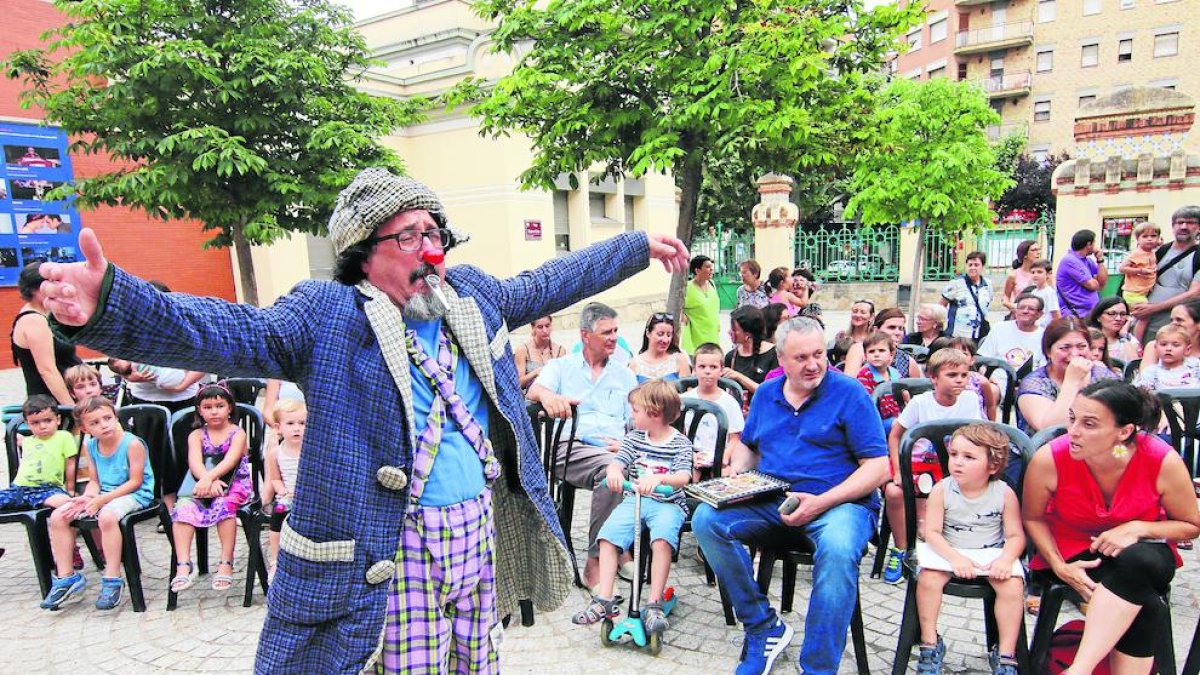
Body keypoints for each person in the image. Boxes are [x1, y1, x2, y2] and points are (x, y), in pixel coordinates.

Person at [35, 167, 690, 672]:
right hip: (390, 546)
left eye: (434, 232)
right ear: (363, 252)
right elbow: (225, 328)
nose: (430, 247)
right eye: (410, 235)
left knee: (477, 658)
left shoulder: (473, 299)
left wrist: (636, 247)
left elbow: (550, 280)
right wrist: (112, 305)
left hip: (474, 533)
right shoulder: (330, 314)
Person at [692, 317, 888, 675]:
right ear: (781, 359)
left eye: (819, 354)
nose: (813, 364)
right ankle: (764, 626)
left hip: (840, 504)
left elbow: (878, 468)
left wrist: (823, 501)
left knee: (840, 549)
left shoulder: (849, 393)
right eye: (801, 357)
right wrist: (734, 475)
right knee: (707, 520)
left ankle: (817, 667)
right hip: (776, 499)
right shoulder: (767, 394)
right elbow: (749, 448)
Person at [1022, 380, 1200, 675]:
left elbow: (1191, 525)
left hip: (1144, 550)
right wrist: (1058, 565)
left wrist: (1138, 528)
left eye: (1089, 424)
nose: (1074, 431)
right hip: (1074, 550)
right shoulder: (1051, 457)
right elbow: (1033, 518)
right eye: (1072, 418)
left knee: (1138, 561)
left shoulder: (1159, 459)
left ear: (1125, 431)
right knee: (1146, 603)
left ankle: (1079, 669)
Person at [528, 302, 640, 588]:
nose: (614, 337)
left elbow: (635, 422)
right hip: (570, 447)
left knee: (618, 471)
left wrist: (625, 445)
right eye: (606, 332)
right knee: (613, 471)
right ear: (585, 335)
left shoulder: (624, 375)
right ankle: (599, 561)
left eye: (615, 330)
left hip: (613, 451)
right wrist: (550, 398)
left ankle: (612, 550)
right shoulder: (561, 367)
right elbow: (534, 389)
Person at [571, 381, 692, 632]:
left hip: (668, 503)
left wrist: (659, 479)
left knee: (661, 541)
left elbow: (683, 477)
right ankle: (605, 598)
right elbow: (618, 462)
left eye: (636, 411)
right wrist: (614, 473)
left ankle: (654, 601)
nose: (631, 415)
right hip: (635, 499)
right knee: (607, 537)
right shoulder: (634, 438)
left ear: (655, 413)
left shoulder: (681, 444)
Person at [915, 423, 1025, 675]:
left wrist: (1006, 559)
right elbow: (931, 532)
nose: (957, 463)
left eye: (968, 457)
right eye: (953, 455)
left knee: (1012, 586)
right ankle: (930, 643)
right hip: (949, 550)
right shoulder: (943, 489)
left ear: (993, 465)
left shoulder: (1003, 493)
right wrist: (954, 558)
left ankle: (1006, 653)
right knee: (928, 580)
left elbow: (1016, 535)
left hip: (990, 553)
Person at [40, 396, 154, 611]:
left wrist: (102, 500)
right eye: (94, 423)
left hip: (136, 494)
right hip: (105, 494)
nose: (103, 425)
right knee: (59, 515)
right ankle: (67, 577)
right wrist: (88, 497)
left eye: (107, 418)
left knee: (107, 516)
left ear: (115, 416)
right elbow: (94, 481)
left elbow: (135, 482)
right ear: (85, 428)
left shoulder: (132, 444)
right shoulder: (91, 445)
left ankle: (112, 577)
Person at [882, 348, 984, 584]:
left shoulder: (969, 400)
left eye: (964, 375)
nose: (960, 380)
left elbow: (980, 436)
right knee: (894, 492)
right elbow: (896, 435)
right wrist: (897, 469)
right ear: (934, 378)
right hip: (920, 464)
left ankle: (943, 542)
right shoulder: (921, 403)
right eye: (952, 375)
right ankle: (902, 548)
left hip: (954, 465)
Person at [169, 383, 252, 593]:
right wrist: (207, 480)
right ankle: (183, 564)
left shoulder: (237, 433)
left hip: (235, 482)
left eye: (219, 405)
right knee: (183, 508)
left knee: (225, 505)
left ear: (230, 408)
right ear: (199, 410)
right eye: (207, 407)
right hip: (203, 481)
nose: (214, 411)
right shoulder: (196, 435)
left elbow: (230, 461)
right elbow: (194, 462)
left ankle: (226, 562)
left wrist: (211, 478)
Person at [1016, 317, 1117, 434]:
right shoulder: (1035, 383)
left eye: (1081, 346)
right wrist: (1072, 382)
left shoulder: (1102, 376)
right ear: (1048, 351)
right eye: (1065, 348)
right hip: (1047, 448)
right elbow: (1050, 430)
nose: (1074, 354)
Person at [11, 263, 80, 405]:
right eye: (49, 286)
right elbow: (47, 371)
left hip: (68, 394)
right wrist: (72, 409)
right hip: (52, 403)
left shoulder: (46, 314)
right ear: (34, 290)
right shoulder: (34, 320)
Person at [1131, 206, 1200, 338]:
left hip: (1178, 329)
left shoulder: (1198, 256)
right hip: (1145, 323)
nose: (1184, 227)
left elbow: (1195, 294)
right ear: (1173, 226)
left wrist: (1154, 308)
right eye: (1180, 222)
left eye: (1190, 222)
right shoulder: (1160, 251)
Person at [0, 396, 76, 511]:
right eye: (35, 423)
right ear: (27, 423)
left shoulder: (63, 437)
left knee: (64, 502)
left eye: (48, 420)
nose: (42, 426)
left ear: (58, 419)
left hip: (48, 489)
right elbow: (13, 437)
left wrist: (70, 488)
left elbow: (71, 463)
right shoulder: (28, 441)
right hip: (20, 489)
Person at [682, 343, 746, 478]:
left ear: (721, 369)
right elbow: (678, 433)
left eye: (713, 367)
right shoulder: (684, 399)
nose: (707, 371)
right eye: (702, 366)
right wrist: (690, 455)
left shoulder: (729, 402)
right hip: (688, 456)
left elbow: (735, 438)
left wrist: (723, 458)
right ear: (694, 369)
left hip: (719, 456)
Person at [265, 398, 305, 579]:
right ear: (278, 427)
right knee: (279, 512)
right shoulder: (276, 452)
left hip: (308, 494)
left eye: (302, 423)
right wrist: (282, 490)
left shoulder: (310, 450)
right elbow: (275, 478)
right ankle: (275, 559)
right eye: (290, 423)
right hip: (287, 494)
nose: (297, 428)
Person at [978, 292, 1046, 374]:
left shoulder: (1045, 335)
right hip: (998, 377)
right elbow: (985, 357)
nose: (1025, 311)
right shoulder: (999, 328)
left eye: (1031, 309)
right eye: (1021, 308)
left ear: (1039, 314)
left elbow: (1044, 367)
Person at [844, 308, 921, 378]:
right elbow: (849, 384)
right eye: (891, 327)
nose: (898, 332)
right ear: (876, 330)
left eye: (900, 328)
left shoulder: (908, 361)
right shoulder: (859, 349)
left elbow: (916, 390)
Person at [723, 305, 778, 401]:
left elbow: (771, 392)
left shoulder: (774, 355)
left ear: (748, 334)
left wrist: (739, 377)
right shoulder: (731, 356)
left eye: (734, 329)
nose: (729, 332)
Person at [1120, 222, 1163, 343]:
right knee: (1144, 317)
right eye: (1145, 236)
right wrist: (1140, 271)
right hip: (1133, 293)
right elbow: (1122, 268)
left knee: (1138, 316)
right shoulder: (1136, 254)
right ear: (1137, 239)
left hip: (1142, 292)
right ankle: (1136, 342)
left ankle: (1127, 328)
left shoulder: (1152, 251)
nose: (1149, 239)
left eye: (1153, 236)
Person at [941, 251, 994, 341]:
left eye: (976, 265)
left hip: (978, 333)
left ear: (982, 267)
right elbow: (941, 305)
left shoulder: (987, 285)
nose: (973, 268)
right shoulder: (956, 283)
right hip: (958, 334)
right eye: (970, 265)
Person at [856, 332, 901, 435]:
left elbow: (904, 396)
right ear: (865, 356)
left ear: (891, 354)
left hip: (896, 416)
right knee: (898, 425)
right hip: (876, 422)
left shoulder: (895, 373)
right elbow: (867, 404)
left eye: (881, 350)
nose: (876, 354)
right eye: (871, 351)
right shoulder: (865, 374)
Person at [1056, 230, 1108, 318]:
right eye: (1094, 243)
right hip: (1076, 314)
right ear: (1089, 244)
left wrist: (1100, 260)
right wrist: (1096, 281)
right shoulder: (1070, 261)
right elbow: (1093, 286)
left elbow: (1102, 283)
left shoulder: (1087, 260)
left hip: (1089, 312)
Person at [1132, 324, 1200, 392]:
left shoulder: (1196, 366)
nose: (1168, 349)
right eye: (1163, 344)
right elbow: (1141, 396)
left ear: (1187, 349)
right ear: (1156, 347)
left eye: (1175, 345)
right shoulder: (1150, 372)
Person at [630, 312, 691, 382]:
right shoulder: (635, 364)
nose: (665, 340)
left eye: (669, 335)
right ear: (648, 333)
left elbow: (687, 390)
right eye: (660, 334)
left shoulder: (680, 360)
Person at [1141, 299, 1200, 368]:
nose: (1173, 324)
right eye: (1171, 320)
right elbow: (1144, 377)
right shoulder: (1155, 347)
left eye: (1179, 320)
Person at [513, 315, 566, 391]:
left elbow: (563, 381)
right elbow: (518, 383)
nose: (545, 331)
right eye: (540, 327)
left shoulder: (560, 350)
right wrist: (535, 373)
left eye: (547, 326)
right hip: (529, 398)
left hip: (553, 396)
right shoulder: (522, 350)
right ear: (533, 328)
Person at [681, 254, 720, 354]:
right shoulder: (687, 288)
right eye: (707, 267)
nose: (711, 269)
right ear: (697, 270)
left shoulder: (711, 284)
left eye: (711, 267)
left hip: (712, 331)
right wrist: (682, 315)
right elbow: (676, 306)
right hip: (697, 333)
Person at [1087, 297, 1141, 363]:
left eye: (1123, 314)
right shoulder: (1086, 337)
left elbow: (1133, 367)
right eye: (1111, 313)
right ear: (1098, 317)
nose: (1118, 318)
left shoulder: (1129, 339)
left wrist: (1123, 336)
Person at [830, 299, 875, 365]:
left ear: (871, 317)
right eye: (855, 311)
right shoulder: (841, 336)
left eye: (863, 312)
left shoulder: (876, 338)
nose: (858, 315)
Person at [1001, 240, 1041, 315]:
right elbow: (1006, 296)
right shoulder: (1013, 275)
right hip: (1020, 314)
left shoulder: (1043, 274)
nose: (1038, 252)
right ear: (1024, 254)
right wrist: (1013, 307)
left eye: (1038, 250)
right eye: (1034, 250)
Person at [1026, 260, 1061, 328]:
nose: (1035, 275)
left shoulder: (1049, 292)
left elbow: (1056, 315)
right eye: (1033, 272)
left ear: (1048, 274)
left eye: (1039, 272)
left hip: (1044, 329)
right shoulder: (1034, 292)